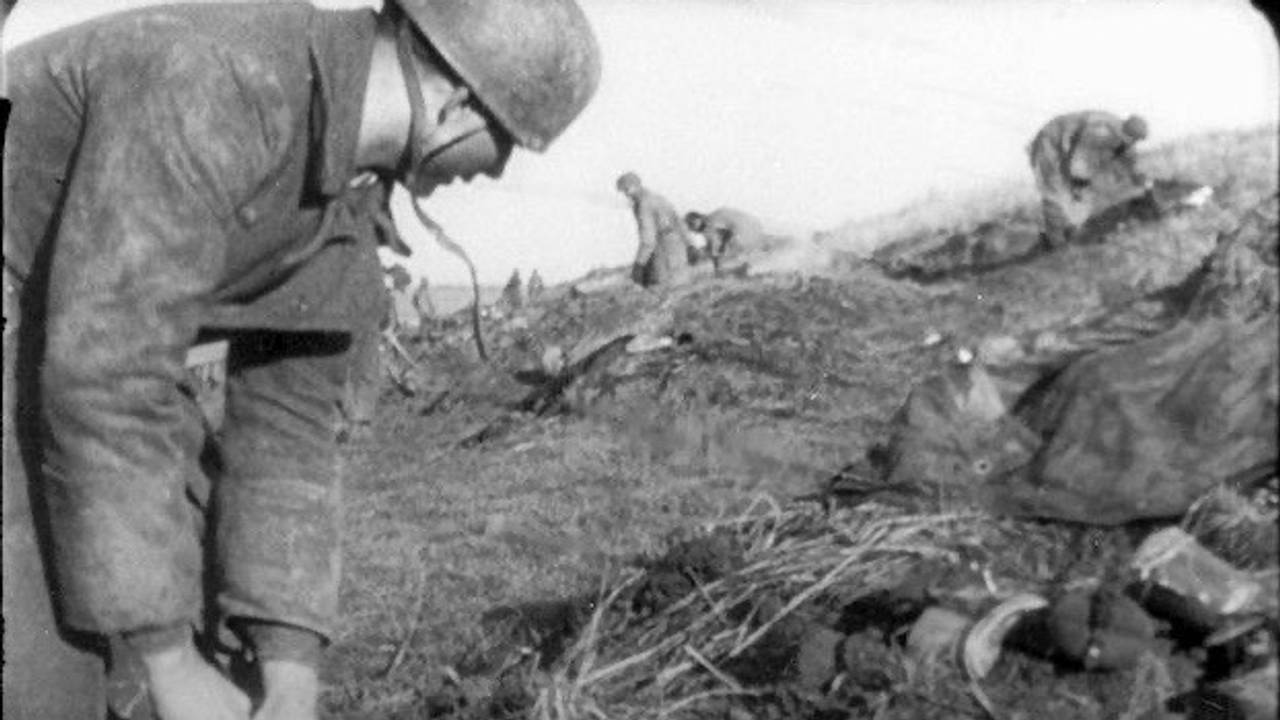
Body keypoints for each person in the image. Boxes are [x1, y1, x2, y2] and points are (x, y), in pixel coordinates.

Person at [2, 1, 600, 719]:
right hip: (37, 329)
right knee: (48, 679)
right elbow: (105, 377)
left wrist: (290, 670)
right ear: (457, 106)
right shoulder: (220, 81)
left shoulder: (344, 194)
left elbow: (287, 428)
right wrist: (168, 661)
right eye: (507, 142)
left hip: (75, 347)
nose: (498, 170)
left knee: (208, 639)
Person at [1027, 111, 1150, 248]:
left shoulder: (1122, 138)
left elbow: (1129, 160)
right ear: (1124, 131)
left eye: (1135, 140)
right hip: (1050, 143)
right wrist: (1079, 182)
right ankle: (1056, 242)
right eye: (1131, 138)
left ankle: (1069, 229)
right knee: (1054, 191)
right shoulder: (1100, 131)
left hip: (1069, 150)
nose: (1132, 143)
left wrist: (1140, 181)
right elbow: (1080, 158)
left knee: (1079, 191)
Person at [616, 171, 693, 288]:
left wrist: (639, 265)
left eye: (627, 190)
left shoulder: (643, 205)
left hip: (663, 250)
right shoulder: (658, 198)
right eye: (623, 191)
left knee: (664, 290)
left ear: (636, 185)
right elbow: (679, 222)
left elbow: (648, 240)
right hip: (678, 246)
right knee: (683, 290)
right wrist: (689, 244)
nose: (626, 194)